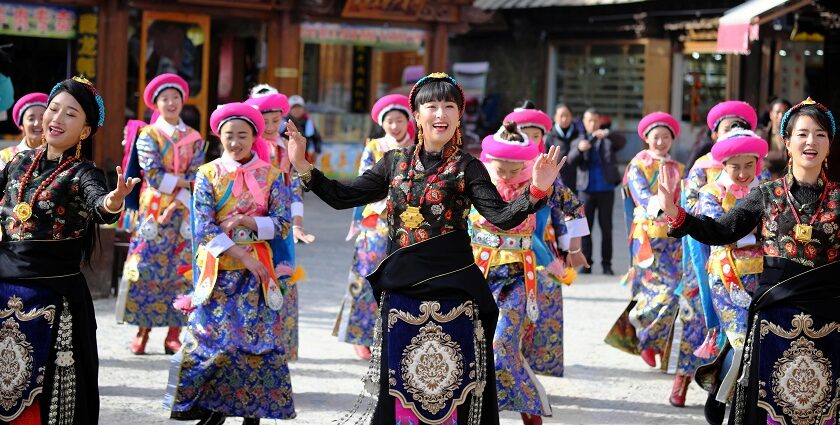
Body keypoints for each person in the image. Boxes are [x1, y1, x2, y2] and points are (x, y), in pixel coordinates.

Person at [286, 72, 563, 425]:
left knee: (455, 382)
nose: (440, 113)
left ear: (459, 115)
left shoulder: (468, 167)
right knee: (402, 381)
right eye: (431, 105)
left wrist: (536, 191)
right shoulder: (395, 163)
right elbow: (345, 196)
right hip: (402, 289)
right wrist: (303, 166)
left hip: (455, 291)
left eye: (449, 106)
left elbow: (501, 216)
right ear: (416, 114)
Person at [659, 97, 840, 425]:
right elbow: (721, 230)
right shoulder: (767, 194)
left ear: (829, 143)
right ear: (786, 142)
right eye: (802, 134)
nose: (810, 142)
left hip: (830, 322)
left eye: (819, 134)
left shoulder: (839, 198)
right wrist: (677, 215)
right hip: (774, 318)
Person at [0, 76, 139, 424]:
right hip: (3, 289)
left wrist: (114, 200)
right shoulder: (18, 163)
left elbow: (100, 206)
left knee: (45, 399)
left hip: (53, 296)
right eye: (53, 109)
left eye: (70, 114)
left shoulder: (82, 172)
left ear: (85, 131)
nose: (57, 118)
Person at [165, 102, 295, 425]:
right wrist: (241, 255)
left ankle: (254, 413)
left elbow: (282, 224)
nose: (235, 142)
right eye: (228, 136)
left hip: (258, 276)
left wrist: (248, 223)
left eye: (242, 135)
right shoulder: (207, 174)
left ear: (254, 137)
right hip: (220, 271)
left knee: (256, 344)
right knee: (212, 343)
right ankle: (214, 409)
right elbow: (204, 227)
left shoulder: (272, 175)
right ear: (219, 137)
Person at [471, 121, 586, 425]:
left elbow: (573, 209)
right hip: (478, 273)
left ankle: (528, 406)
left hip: (523, 270)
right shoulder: (476, 181)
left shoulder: (542, 183)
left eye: (514, 170)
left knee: (503, 344)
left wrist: (572, 249)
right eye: (501, 170)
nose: (507, 176)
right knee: (476, 345)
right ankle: (511, 408)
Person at [673, 100, 758, 407]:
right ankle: (682, 381)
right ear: (716, 138)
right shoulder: (703, 173)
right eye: (726, 130)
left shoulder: (759, 179)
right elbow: (701, 218)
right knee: (696, 317)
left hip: (754, 269)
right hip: (708, 254)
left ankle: (726, 394)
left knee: (749, 337)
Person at [117, 73, 207, 355]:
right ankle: (142, 331)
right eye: (165, 98)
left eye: (176, 98)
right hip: (153, 211)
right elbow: (153, 175)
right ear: (156, 103)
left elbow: (198, 175)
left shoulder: (194, 137)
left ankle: (174, 333)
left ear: (183, 101)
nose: (171, 103)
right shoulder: (148, 135)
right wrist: (183, 185)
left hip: (183, 213)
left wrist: (178, 197)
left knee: (182, 269)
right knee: (145, 266)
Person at [504, 107, 590, 378]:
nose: (531, 140)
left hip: (543, 251)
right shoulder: (496, 173)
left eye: (536, 135)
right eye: (524, 135)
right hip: (503, 257)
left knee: (545, 309)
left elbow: (573, 208)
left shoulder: (549, 174)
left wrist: (573, 249)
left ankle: (534, 372)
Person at [691, 130, 768, 424]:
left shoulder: (767, 191)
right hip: (727, 277)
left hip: (762, 277)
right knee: (739, 341)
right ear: (723, 164)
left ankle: (723, 391)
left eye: (750, 165)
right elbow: (717, 232)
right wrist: (752, 233)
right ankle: (719, 397)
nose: (744, 173)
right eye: (736, 166)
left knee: (753, 345)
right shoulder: (711, 192)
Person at [335, 94, 414, 360]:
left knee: (406, 280)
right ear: (382, 124)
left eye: (399, 120)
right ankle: (361, 335)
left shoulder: (419, 147)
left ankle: (400, 337)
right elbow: (365, 181)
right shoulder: (375, 147)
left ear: (408, 120)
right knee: (367, 275)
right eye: (389, 121)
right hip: (377, 221)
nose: (394, 126)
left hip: (408, 222)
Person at [607, 112, 684, 378]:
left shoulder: (677, 167)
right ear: (646, 139)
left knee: (679, 290)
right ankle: (646, 334)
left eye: (666, 137)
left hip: (674, 239)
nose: (661, 141)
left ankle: (657, 340)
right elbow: (640, 195)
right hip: (648, 238)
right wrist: (663, 209)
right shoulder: (639, 164)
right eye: (656, 137)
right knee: (661, 290)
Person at [246, 85, 310, 361]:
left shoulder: (286, 148)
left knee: (282, 281)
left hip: (280, 225)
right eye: (265, 120)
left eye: (276, 120)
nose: (271, 126)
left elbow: (293, 184)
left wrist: (297, 223)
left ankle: (280, 348)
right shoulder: (247, 146)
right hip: (252, 223)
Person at [568, 107, 626, 275]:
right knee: (586, 229)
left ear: (600, 122)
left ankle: (607, 265)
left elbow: (622, 142)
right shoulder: (578, 140)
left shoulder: (607, 139)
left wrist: (607, 133)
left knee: (606, 228)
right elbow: (570, 160)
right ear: (584, 123)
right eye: (589, 121)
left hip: (606, 189)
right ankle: (588, 264)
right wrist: (580, 149)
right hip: (585, 190)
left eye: (595, 120)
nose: (592, 124)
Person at [0, 92, 47, 170]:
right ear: (21, 125)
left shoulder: (56, 156)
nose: (37, 123)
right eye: (31, 119)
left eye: (42, 118)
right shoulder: (5, 156)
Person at [544, 104, 579, 189]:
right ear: (555, 117)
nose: (564, 119)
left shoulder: (578, 134)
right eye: (561, 116)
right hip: (555, 181)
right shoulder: (549, 135)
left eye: (567, 115)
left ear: (571, 117)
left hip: (576, 182)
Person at [757, 98, 792, 178]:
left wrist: (766, 155)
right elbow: (758, 157)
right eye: (777, 112)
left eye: (784, 112)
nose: (781, 116)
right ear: (771, 114)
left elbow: (787, 157)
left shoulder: (793, 136)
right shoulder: (761, 134)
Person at [281, 95, 322, 165]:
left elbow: (317, 138)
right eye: (294, 107)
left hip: (303, 157)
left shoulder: (308, 122)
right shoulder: (283, 122)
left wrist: (316, 151)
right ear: (289, 109)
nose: (297, 110)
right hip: (285, 157)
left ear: (303, 108)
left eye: (299, 107)